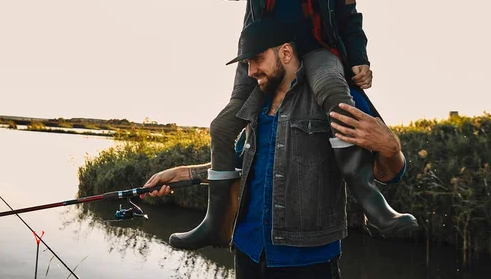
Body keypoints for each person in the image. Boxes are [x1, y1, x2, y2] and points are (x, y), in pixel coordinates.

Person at [123, 0, 417, 249]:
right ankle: (215, 223)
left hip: (318, 52)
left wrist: (359, 60)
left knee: (336, 95)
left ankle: (373, 204)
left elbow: (350, 20)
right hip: (266, 54)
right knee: (224, 125)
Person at [144, 19, 409, 278]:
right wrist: (183, 173)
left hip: (307, 261)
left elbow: (387, 174)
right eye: (247, 63)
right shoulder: (255, 105)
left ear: (285, 52)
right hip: (248, 252)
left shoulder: (337, 94)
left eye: (257, 59)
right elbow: (244, 165)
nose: (251, 71)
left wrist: (390, 148)